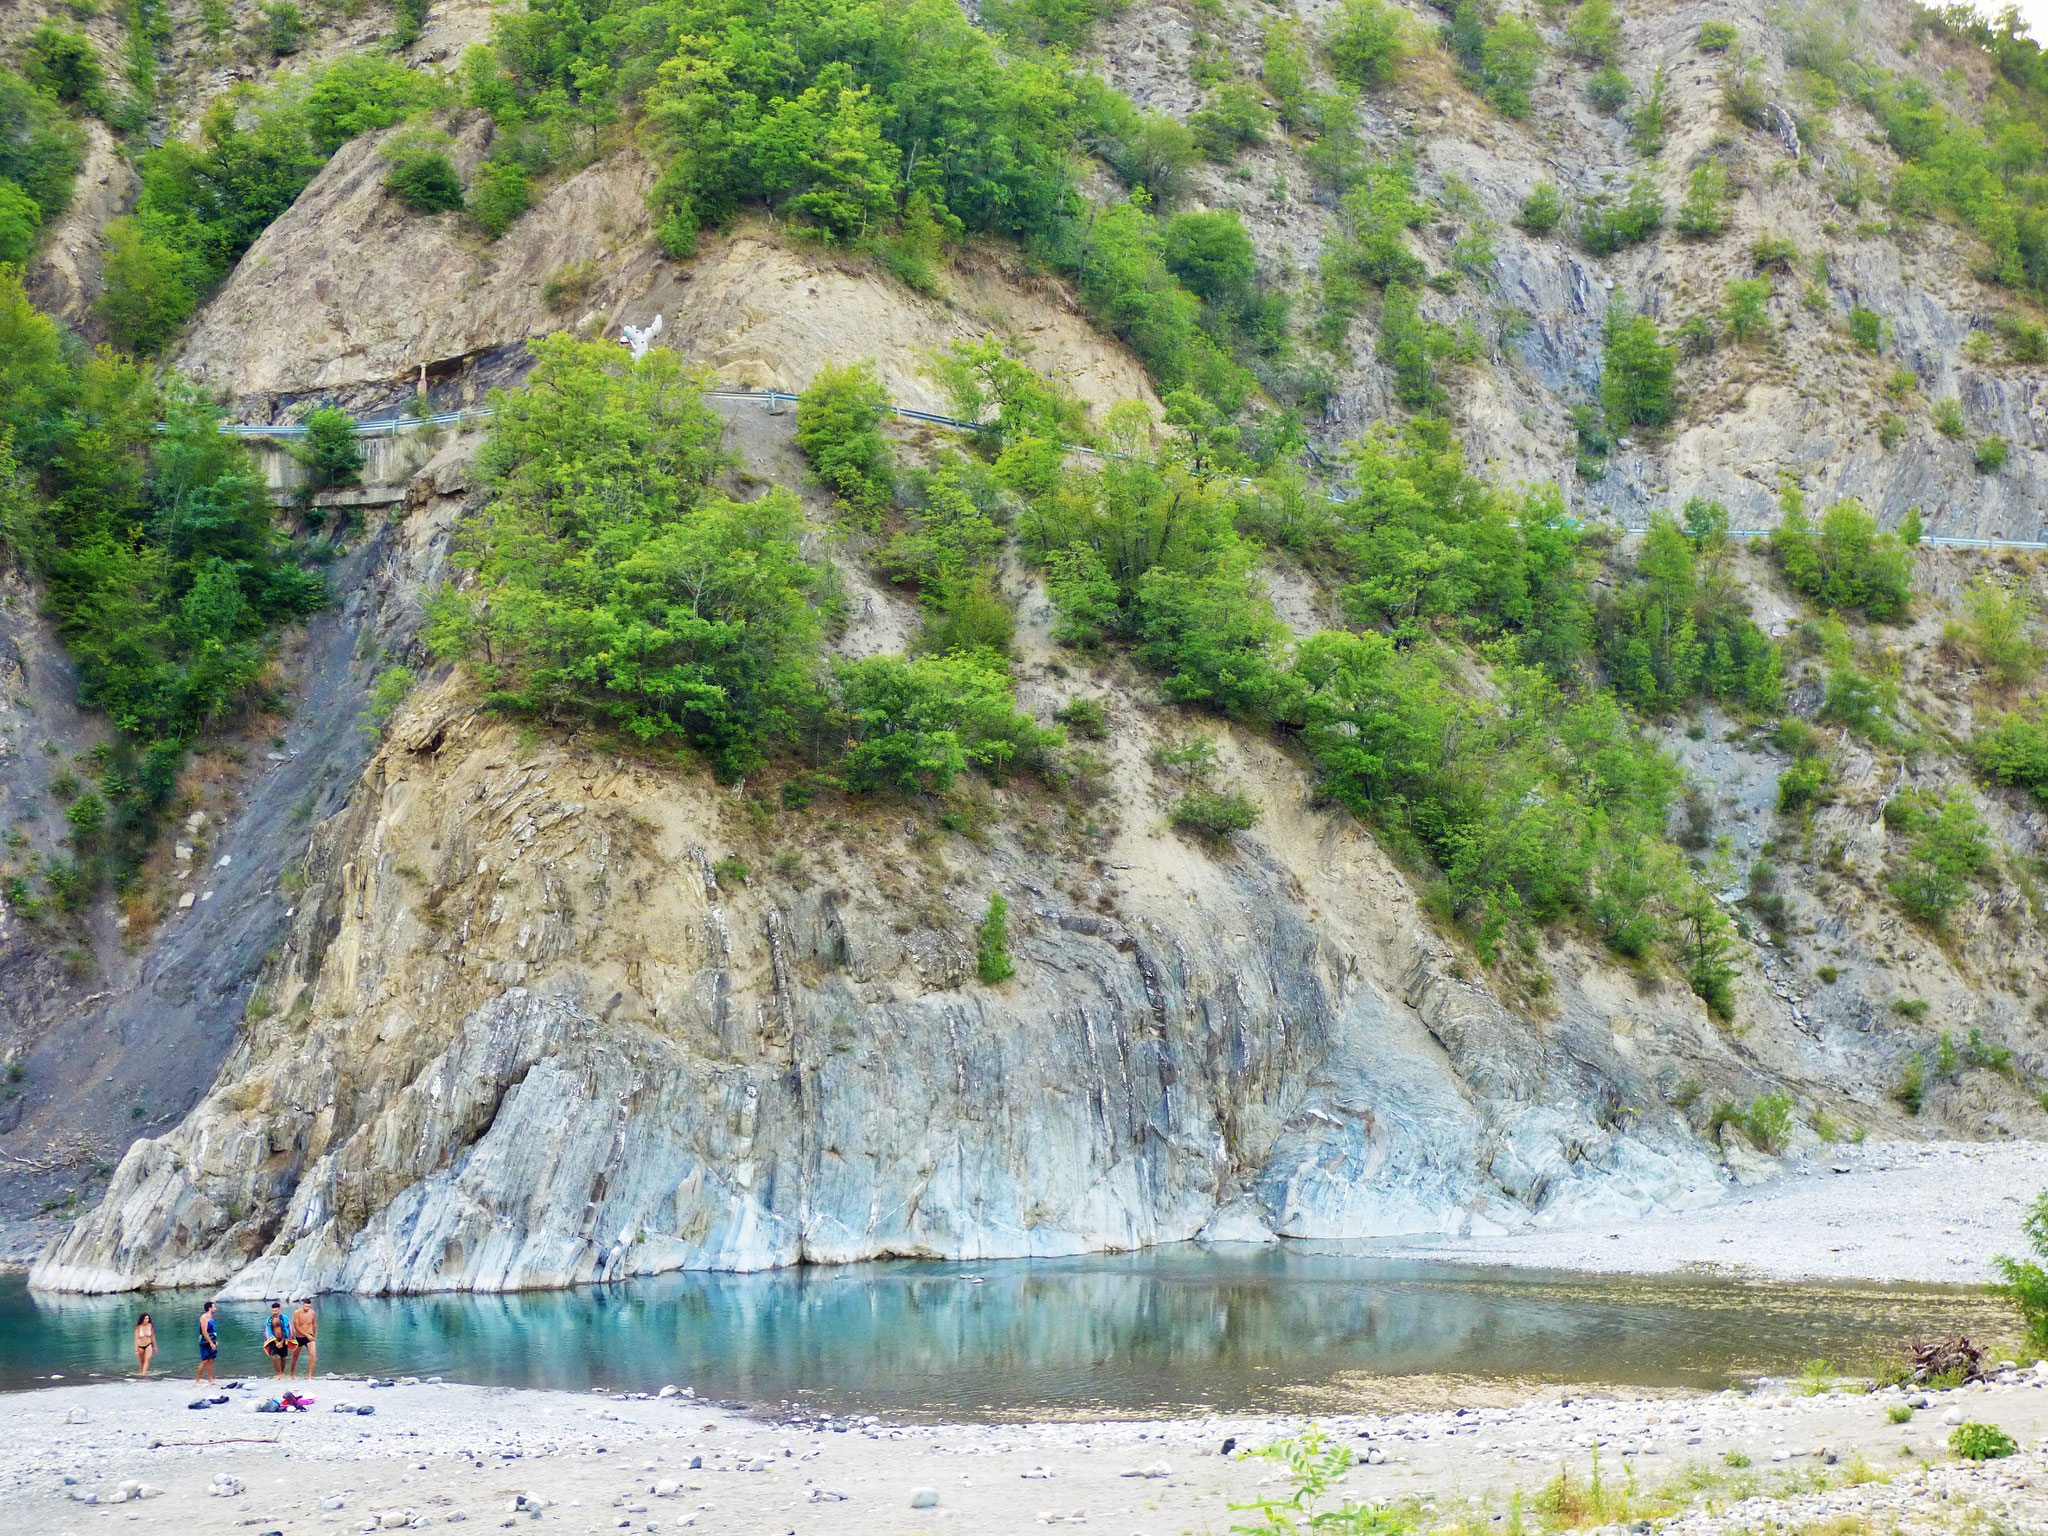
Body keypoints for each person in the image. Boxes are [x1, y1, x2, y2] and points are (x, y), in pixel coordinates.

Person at [289, 1298, 318, 1379]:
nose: (307, 1308)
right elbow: (296, 1326)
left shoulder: (312, 1312)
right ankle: (292, 1374)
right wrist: (306, 1335)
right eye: (305, 1306)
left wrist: (314, 1336)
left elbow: (314, 1324)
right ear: (302, 1305)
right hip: (299, 1337)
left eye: (308, 1306)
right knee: (295, 1357)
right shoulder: (297, 1313)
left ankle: (309, 1376)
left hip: (309, 1335)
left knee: (313, 1355)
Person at [264, 1301, 291, 1377]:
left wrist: (282, 1341)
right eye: (273, 1311)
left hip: (283, 1340)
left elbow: (286, 1329)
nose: (274, 1312)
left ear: (279, 1310)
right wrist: (276, 1342)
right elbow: (269, 1330)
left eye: (276, 1311)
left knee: (283, 1357)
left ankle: (282, 1372)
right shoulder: (270, 1319)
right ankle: (278, 1374)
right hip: (274, 1340)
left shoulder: (284, 1318)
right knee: (275, 1357)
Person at [195, 1301, 219, 1385]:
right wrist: (210, 1342)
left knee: (211, 1360)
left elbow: (213, 1331)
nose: (215, 1308)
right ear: (210, 1308)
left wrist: (215, 1341)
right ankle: (197, 1380)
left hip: (212, 1340)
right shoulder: (204, 1317)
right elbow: (204, 1331)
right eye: (214, 1307)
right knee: (204, 1361)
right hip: (204, 1341)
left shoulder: (211, 1318)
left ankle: (210, 1379)